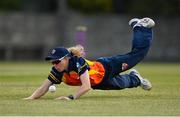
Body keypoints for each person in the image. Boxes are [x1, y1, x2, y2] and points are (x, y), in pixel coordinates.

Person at [24, 17, 155, 100]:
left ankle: (140, 27)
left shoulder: (77, 62)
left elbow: (86, 87)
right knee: (122, 84)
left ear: (66, 58)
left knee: (137, 55)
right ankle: (136, 78)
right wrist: (30, 98)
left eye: (57, 61)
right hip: (98, 82)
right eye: (53, 62)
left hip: (108, 66)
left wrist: (70, 98)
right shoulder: (57, 71)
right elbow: (43, 88)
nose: (55, 64)